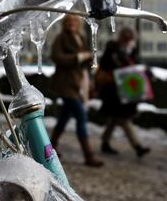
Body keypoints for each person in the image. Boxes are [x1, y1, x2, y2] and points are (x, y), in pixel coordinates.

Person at [50, 14, 103, 167]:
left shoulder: (80, 37)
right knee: (80, 115)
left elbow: (85, 61)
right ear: (65, 23)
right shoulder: (61, 38)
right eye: (69, 21)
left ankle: (50, 147)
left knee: (64, 118)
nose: (72, 23)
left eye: (74, 21)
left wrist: (89, 60)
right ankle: (88, 155)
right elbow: (56, 56)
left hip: (79, 83)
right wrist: (78, 57)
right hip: (66, 84)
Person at [96, 26, 150, 158]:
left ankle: (105, 142)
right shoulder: (113, 50)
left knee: (114, 119)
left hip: (125, 90)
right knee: (123, 119)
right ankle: (137, 146)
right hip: (113, 92)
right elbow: (105, 66)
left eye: (129, 39)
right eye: (126, 38)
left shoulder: (131, 51)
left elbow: (136, 65)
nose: (128, 41)